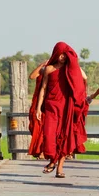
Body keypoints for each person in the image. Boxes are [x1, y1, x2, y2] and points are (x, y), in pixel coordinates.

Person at [36, 42, 88, 178]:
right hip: (51, 107)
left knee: (64, 137)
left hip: (66, 108)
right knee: (49, 136)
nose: (63, 57)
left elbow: (85, 77)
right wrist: (38, 108)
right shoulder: (48, 69)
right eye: (60, 54)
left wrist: (74, 64)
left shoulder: (71, 70)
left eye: (65, 55)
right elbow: (43, 89)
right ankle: (52, 160)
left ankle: (59, 168)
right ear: (55, 54)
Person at [27, 60, 48, 158]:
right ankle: (38, 150)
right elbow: (31, 76)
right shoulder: (43, 70)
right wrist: (41, 65)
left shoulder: (54, 70)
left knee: (45, 127)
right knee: (34, 125)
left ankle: (42, 151)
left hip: (48, 102)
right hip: (37, 102)